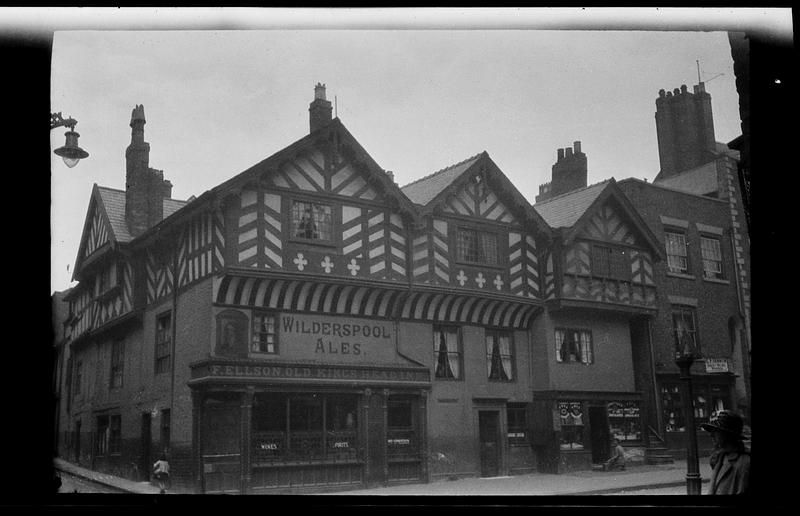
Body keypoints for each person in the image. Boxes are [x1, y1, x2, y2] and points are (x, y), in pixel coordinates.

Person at [700, 410, 750, 495]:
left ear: (728, 433)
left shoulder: (745, 462)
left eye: (715, 431)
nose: (711, 435)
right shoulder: (719, 458)